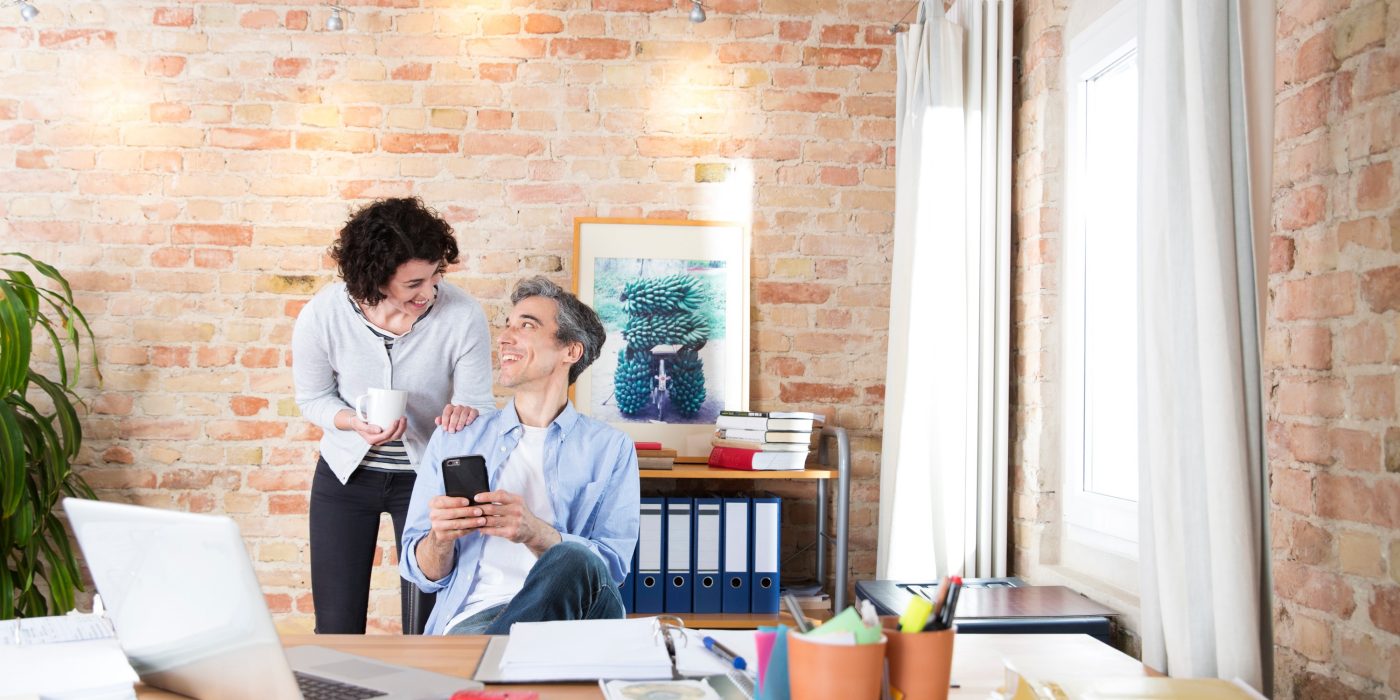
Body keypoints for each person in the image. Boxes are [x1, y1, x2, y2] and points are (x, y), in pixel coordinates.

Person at [292, 197, 496, 634]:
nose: (430, 292)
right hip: (345, 478)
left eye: (437, 275)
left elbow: (481, 404)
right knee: (336, 623)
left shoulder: (461, 316)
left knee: (427, 622)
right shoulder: (323, 315)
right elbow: (313, 398)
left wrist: (465, 413)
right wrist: (353, 423)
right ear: (377, 279)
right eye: (414, 283)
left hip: (428, 481)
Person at [400, 276, 640, 635]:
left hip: (577, 620)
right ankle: (506, 658)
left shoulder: (610, 448)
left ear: (570, 352)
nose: (504, 337)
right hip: (478, 620)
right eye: (507, 325)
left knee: (574, 557)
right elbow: (421, 574)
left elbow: (610, 568)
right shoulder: (457, 438)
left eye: (526, 325)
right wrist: (441, 537)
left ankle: (493, 671)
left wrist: (536, 533)